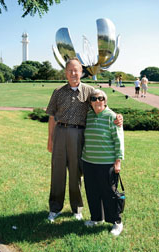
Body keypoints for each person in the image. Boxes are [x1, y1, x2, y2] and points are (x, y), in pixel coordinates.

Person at [46, 58, 123, 223]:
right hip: (60, 133)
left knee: (76, 173)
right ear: (65, 73)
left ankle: (76, 209)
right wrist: (50, 139)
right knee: (57, 173)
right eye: (70, 70)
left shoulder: (89, 91)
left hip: (79, 134)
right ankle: (55, 208)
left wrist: (117, 116)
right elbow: (52, 116)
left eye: (77, 70)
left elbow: (101, 104)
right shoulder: (58, 91)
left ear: (82, 72)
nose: (74, 74)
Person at [82, 89, 124, 236]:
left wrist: (118, 162)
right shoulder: (88, 116)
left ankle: (116, 222)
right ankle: (96, 218)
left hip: (106, 163)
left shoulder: (112, 117)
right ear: (90, 102)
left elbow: (119, 141)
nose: (97, 101)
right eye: (94, 98)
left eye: (100, 98)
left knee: (109, 193)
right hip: (88, 161)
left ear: (105, 101)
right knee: (92, 191)